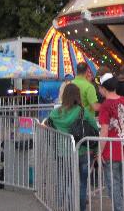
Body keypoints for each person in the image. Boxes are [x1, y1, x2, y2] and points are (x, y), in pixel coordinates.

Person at [48, 83, 98, 211]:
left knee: (66, 181)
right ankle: (80, 208)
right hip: (82, 152)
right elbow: (94, 127)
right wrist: (96, 150)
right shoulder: (82, 112)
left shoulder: (55, 113)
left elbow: (48, 123)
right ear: (77, 96)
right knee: (82, 183)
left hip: (62, 153)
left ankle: (65, 206)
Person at [97, 73, 124, 211]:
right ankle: (123, 207)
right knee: (122, 182)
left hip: (111, 151)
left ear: (103, 88)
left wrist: (99, 151)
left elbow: (104, 130)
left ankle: (120, 208)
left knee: (112, 184)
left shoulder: (105, 106)